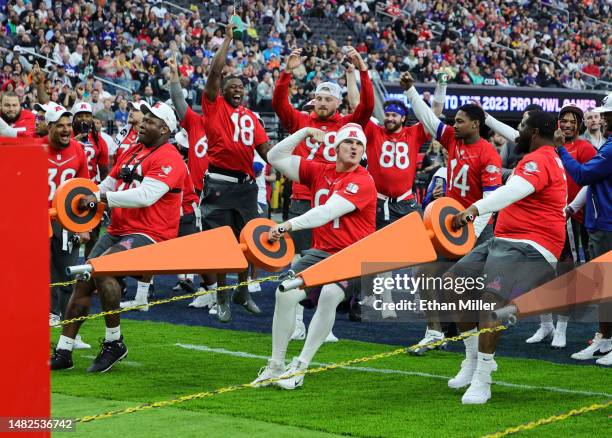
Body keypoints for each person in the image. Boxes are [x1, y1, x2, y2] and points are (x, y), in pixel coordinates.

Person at [51, 101, 186, 372]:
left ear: (164, 129)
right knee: (84, 278)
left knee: (103, 270)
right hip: (118, 229)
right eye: (144, 118)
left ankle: (115, 342)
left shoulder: (170, 157)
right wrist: (83, 202)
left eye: (150, 120)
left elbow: (146, 195)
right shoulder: (134, 150)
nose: (143, 123)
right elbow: (108, 183)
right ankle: (64, 349)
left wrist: (100, 197)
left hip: (151, 233)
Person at [451, 110, 567, 404]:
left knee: (492, 302)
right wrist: (486, 116)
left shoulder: (539, 159)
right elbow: (514, 187)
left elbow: (515, 190)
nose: (518, 132)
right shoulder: (540, 154)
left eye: (523, 126)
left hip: (531, 244)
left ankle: (483, 379)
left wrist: (475, 209)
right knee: (454, 282)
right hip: (506, 240)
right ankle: (473, 359)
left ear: (536, 133)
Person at [252, 123, 376, 389]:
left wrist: (287, 225)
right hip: (320, 253)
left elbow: (327, 212)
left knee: (331, 294)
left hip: (353, 255)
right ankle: (275, 365)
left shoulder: (363, 180)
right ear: (336, 146)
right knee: (284, 293)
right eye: (349, 142)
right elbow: (274, 157)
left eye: (359, 144)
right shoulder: (320, 170)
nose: (354, 147)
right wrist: (305, 132)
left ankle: (300, 366)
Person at [273, 46, 373, 339]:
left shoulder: (346, 126)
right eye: (318, 97)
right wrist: (287, 72)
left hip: (340, 198)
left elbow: (366, 107)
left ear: (338, 103)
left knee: (330, 261)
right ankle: (301, 322)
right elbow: (280, 105)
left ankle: (322, 320)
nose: (321, 102)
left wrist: (360, 72)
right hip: (306, 196)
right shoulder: (302, 122)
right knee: (302, 260)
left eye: (328, 98)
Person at [402, 72, 502, 349]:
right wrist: (411, 90)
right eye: (454, 120)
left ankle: (473, 337)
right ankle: (434, 332)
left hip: (476, 226)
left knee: (470, 286)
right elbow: (428, 119)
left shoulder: (488, 154)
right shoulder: (451, 140)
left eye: (460, 121)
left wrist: (468, 235)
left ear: (475, 124)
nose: (453, 124)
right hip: (449, 223)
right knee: (424, 271)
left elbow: (490, 203)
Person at [485, 105, 597, 348]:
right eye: (563, 120)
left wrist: (572, 208)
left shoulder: (584, 148)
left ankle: (562, 329)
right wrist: (487, 118)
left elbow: (591, 180)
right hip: (541, 222)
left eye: (572, 121)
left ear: (579, 125)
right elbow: (514, 134)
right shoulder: (543, 144)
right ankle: (545, 325)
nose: (567, 125)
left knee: (567, 275)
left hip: (569, 220)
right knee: (540, 276)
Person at [199, 22, 271, 323]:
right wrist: (228, 39)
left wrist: (288, 165)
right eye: (232, 87)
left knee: (248, 240)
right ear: (222, 91)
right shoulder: (214, 106)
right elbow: (215, 73)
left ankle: (243, 291)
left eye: (241, 87)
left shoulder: (251, 117)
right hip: (219, 182)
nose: (238, 90)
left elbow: (265, 150)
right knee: (222, 243)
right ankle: (222, 298)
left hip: (246, 185)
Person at [558, 93, 612, 366]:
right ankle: (604, 336)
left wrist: (560, 150)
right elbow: (591, 184)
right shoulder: (609, 145)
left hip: (607, 224)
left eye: (607, 113)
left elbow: (581, 176)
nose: (603, 117)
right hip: (601, 222)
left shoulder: (610, 148)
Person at [46, 105, 91, 353]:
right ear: (50, 127)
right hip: (38, 217)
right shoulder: (37, 147)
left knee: (67, 273)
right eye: (60, 125)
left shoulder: (78, 150)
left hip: (66, 219)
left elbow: (84, 187)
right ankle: (43, 318)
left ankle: (69, 331)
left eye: (67, 125)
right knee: (39, 271)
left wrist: (83, 224)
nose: (66, 130)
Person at [71, 101, 110, 258]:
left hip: (90, 189)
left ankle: (89, 271)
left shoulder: (99, 140)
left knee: (92, 233)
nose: (84, 119)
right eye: (80, 116)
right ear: (73, 119)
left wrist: (102, 193)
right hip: (68, 190)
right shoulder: (66, 137)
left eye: (87, 116)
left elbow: (104, 170)